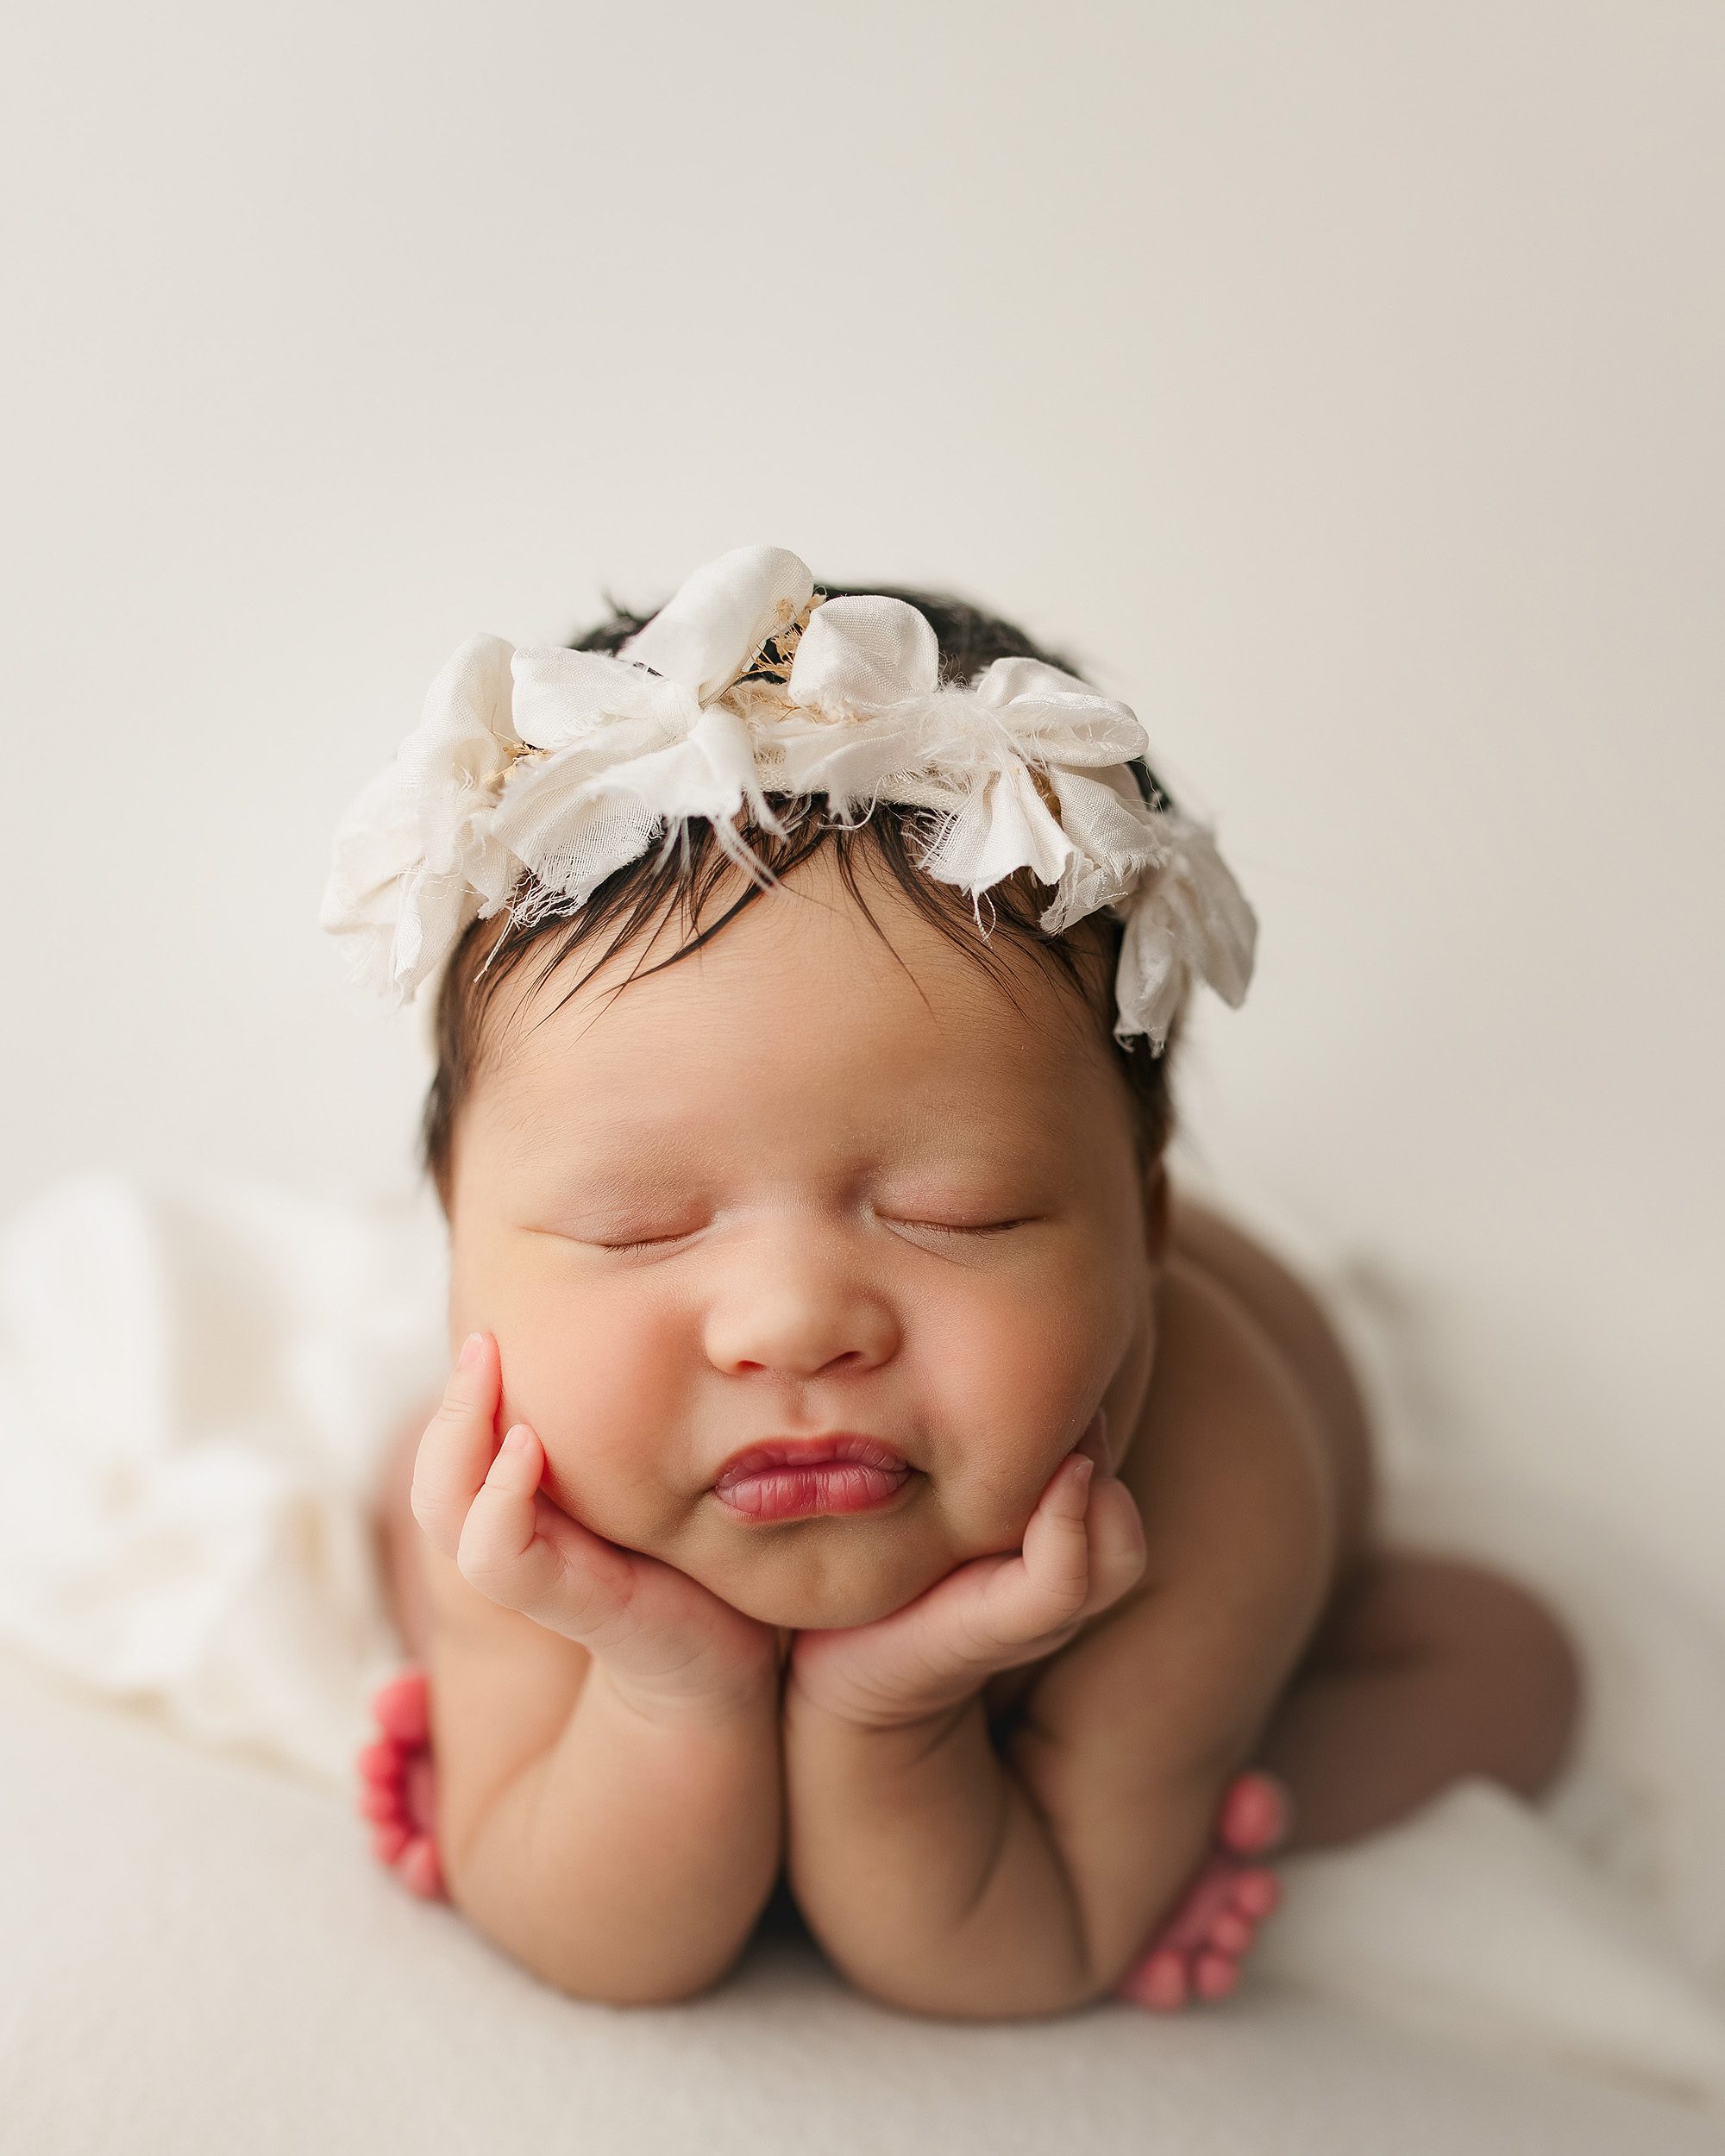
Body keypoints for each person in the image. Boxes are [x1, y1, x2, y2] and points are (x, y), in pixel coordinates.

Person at [327, 545, 1581, 2018]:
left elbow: (1011, 1952)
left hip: (1227, 1537)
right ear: (459, 1247)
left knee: (1513, 1666)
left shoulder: (1207, 1488)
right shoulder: (512, 1507)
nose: (792, 1321)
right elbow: (606, 1945)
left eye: (957, 1212)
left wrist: (891, 1714)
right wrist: (665, 1678)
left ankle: (1189, 1776)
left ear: (1146, 1224)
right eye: (634, 1227)